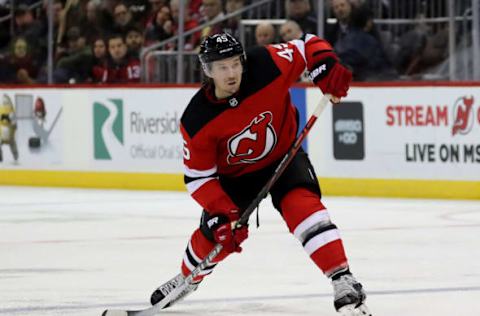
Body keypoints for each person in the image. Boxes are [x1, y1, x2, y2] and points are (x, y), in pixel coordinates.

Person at [149, 33, 370, 316]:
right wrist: (221, 212)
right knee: (216, 235)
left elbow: (306, 44)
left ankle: (343, 279)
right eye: (221, 67)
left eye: (234, 64)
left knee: (302, 207)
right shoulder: (196, 120)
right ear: (207, 71)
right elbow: (198, 179)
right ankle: (186, 278)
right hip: (236, 178)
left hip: (283, 155)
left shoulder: (266, 63)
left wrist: (325, 64)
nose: (231, 73)